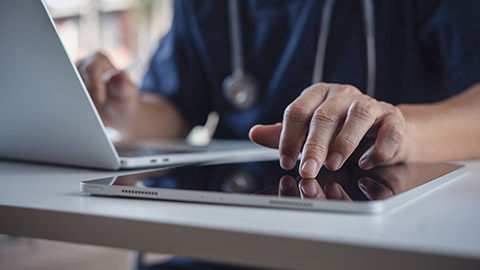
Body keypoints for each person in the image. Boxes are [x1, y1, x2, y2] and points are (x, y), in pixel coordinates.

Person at [77, 0, 480, 267]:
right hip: (240, 245)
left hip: (393, 246)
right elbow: (176, 109)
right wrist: (124, 108)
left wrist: (400, 128)